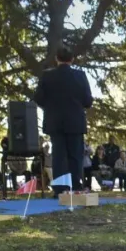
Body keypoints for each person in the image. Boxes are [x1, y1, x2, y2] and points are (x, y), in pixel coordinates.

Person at [33, 47, 92, 195]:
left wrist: (51, 106)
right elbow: (87, 100)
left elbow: (38, 98)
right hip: (75, 121)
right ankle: (75, 187)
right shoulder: (80, 76)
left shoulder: (47, 76)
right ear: (71, 59)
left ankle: (59, 189)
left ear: (56, 59)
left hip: (55, 121)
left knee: (58, 156)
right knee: (75, 156)